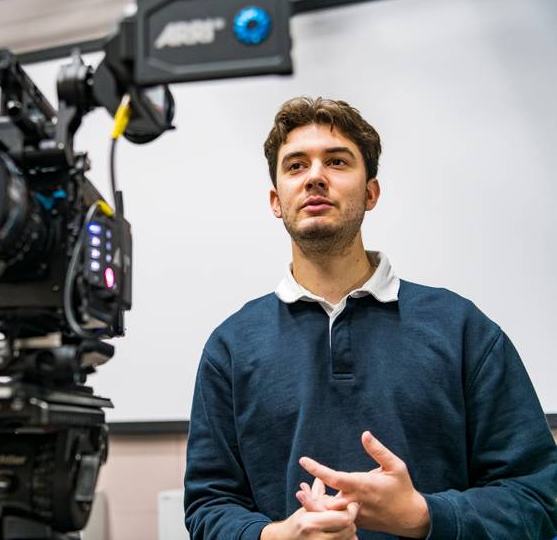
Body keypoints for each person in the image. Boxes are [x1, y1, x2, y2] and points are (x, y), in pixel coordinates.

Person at [183, 96, 557, 540]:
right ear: (276, 201)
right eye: (296, 166)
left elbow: (539, 496)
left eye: (337, 162)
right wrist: (276, 537)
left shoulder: (462, 329)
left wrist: (423, 515)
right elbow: (208, 505)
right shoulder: (231, 345)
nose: (315, 177)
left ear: (371, 193)